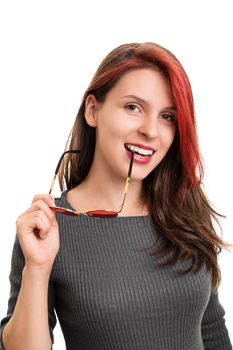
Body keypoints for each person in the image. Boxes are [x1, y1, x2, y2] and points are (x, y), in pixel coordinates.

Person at [0, 42, 232, 350]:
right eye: (133, 107)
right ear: (93, 110)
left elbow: (212, 330)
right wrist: (38, 269)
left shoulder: (185, 211)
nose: (151, 130)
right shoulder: (48, 229)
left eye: (167, 116)